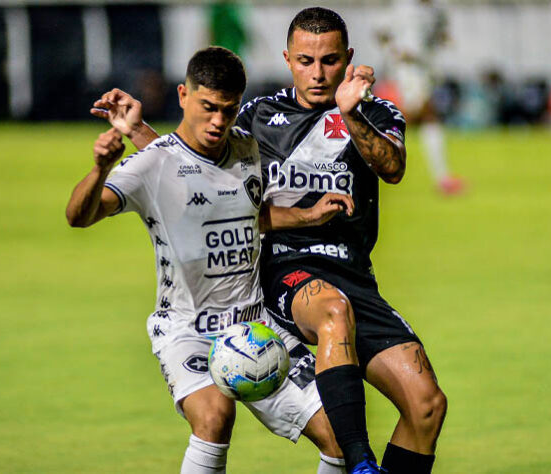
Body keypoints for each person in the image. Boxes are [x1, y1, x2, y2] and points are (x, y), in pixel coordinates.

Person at [94, 9, 448, 474]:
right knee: (331, 311)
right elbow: (190, 164)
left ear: (349, 59)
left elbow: (393, 168)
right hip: (286, 272)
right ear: (287, 58)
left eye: (329, 60)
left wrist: (351, 112)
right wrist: (139, 132)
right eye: (305, 60)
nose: (317, 73)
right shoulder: (257, 116)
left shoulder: (374, 111)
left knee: (426, 405)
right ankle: (362, 464)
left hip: (354, 275)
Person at [68, 46, 351, 474]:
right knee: (215, 417)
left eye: (229, 109)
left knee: (340, 434)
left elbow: (244, 209)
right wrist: (100, 169)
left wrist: (308, 214)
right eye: (208, 107)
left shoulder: (246, 149)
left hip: (258, 328)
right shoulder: (148, 166)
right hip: (188, 332)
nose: (218, 121)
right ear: (183, 95)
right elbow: (79, 216)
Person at [376, 0, 464, 195]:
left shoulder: (437, 9)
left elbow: (440, 32)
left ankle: (371, 156)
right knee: (426, 114)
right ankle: (442, 178)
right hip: (407, 69)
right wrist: (394, 53)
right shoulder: (401, 8)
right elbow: (381, 33)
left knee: (413, 117)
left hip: (425, 68)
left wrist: (444, 40)